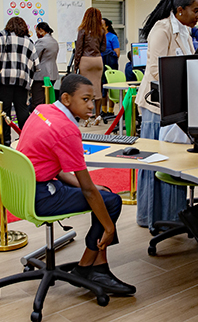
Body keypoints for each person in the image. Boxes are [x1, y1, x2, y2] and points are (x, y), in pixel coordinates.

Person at [16, 74, 135, 295]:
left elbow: (59, 170)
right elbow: (88, 190)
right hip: (42, 196)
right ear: (67, 98)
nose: (92, 106)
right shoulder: (67, 130)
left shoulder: (43, 110)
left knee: (104, 194)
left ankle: (99, 267)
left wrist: (92, 189)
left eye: (93, 99)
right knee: (111, 201)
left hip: (26, 189)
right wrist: (109, 228)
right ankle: (86, 266)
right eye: (86, 99)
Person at [134, 0, 198, 230]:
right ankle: (151, 217)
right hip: (156, 105)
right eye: (195, 11)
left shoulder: (185, 31)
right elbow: (155, 71)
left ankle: (172, 217)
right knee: (155, 163)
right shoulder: (162, 30)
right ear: (180, 10)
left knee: (172, 162)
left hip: (175, 104)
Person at [0, 16, 39, 146]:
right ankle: (24, 137)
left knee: (3, 112)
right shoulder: (29, 41)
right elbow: (36, 65)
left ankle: (5, 140)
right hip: (22, 80)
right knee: (22, 109)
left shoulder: (1, 36)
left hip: (4, 80)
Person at [73, 7, 106, 125]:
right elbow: (103, 48)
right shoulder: (101, 31)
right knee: (97, 88)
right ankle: (98, 115)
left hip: (86, 60)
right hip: (97, 60)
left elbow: (79, 49)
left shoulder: (83, 30)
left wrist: (76, 65)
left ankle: (86, 117)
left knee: (85, 88)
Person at [30, 22, 59, 111]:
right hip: (53, 74)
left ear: (41, 30)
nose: (37, 35)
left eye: (37, 32)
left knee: (38, 101)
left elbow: (34, 57)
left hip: (41, 75)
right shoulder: (54, 41)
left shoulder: (41, 41)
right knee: (48, 100)